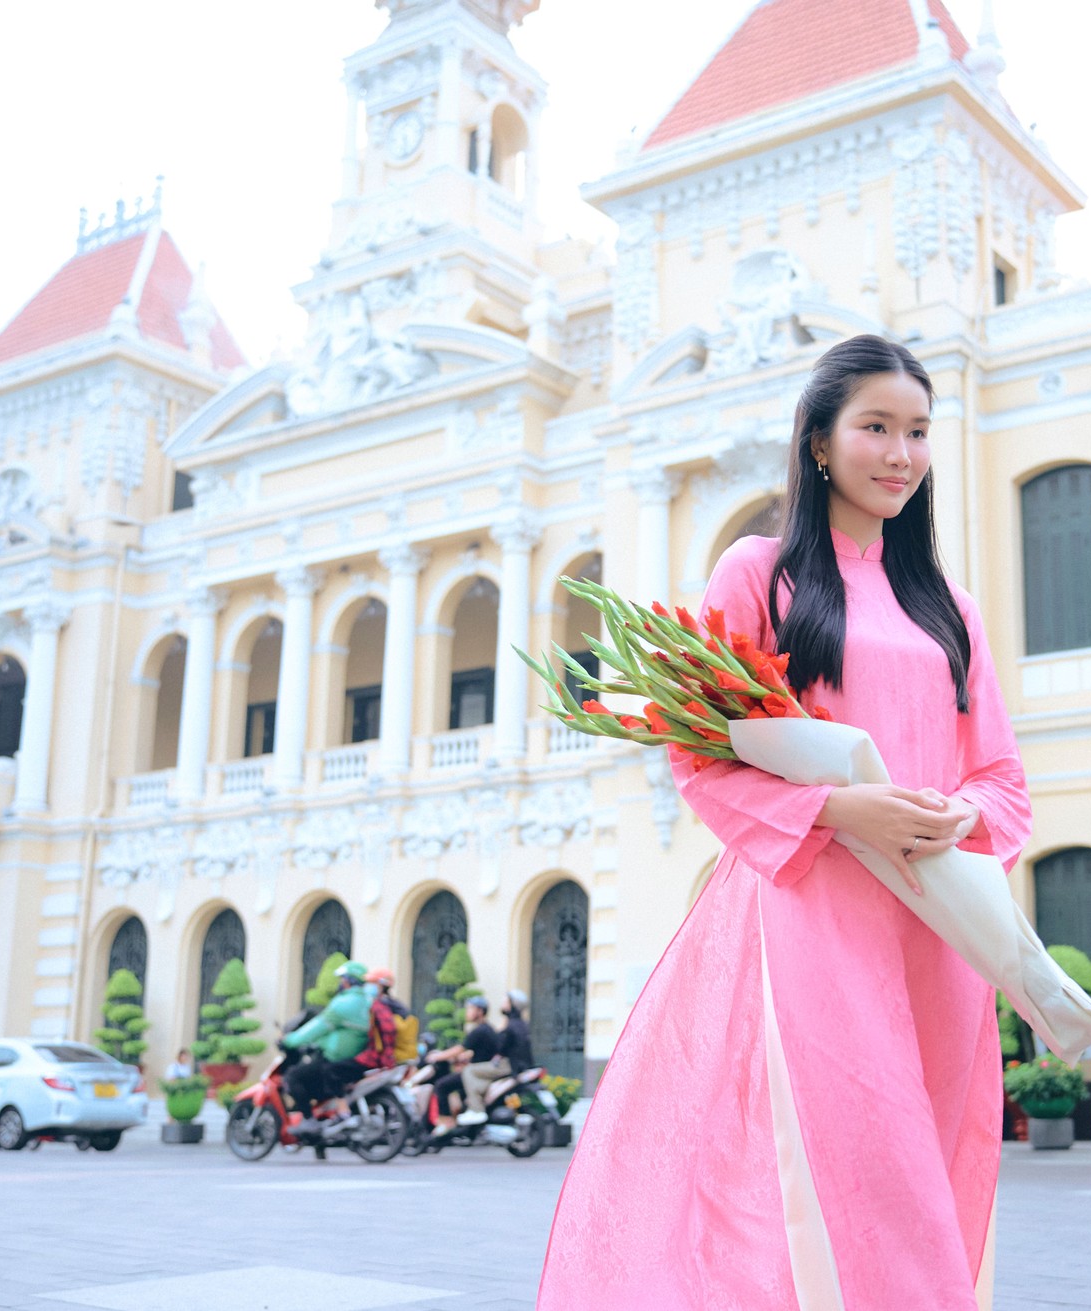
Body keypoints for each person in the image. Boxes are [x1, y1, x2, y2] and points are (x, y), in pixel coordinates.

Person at [539, 336, 1030, 1310]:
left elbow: (1005, 782)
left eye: (917, 432)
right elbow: (702, 753)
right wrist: (843, 808)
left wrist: (952, 811)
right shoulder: (757, 574)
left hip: (938, 922)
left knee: (932, 1159)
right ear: (817, 442)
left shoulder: (951, 610)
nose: (899, 453)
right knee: (845, 1160)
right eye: (876, 427)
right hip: (809, 914)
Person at [283, 959, 373, 1114]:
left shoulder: (343, 1003)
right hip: (356, 1060)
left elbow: (315, 1028)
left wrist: (289, 1040)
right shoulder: (369, 1001)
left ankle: (308, 1119)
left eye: (342, 979)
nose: (340, 982)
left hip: (335, 1060)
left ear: (348, 981)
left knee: (293, 1077)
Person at [429, 996, 501, 1135]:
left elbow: (460, 1048)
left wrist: (437, 1056)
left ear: (480, 1011)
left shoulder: (479, 1030)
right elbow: (473, 1051)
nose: (467, 1012)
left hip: (476, 1074)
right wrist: (463, 1058)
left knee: (441, 1085)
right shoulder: (487, 1029)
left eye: (470, 1008)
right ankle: (465, 1128)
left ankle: (446, 1122)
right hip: (480, 1070)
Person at [499, 989, 536, 1074]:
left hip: (513, 1067)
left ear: (513, 1004)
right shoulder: (522, 1024)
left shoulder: (511, 1025)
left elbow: (501, 1048)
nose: (502, 1004)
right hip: (523, 1066)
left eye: (506, 1001)